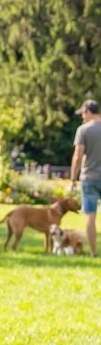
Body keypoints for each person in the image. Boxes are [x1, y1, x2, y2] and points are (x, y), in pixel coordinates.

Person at [70, 98, 101, 257]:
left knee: (90, 215)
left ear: (88, 111)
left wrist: (73, 179)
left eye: (82, 113)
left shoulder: (83, 130)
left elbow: (77, 156)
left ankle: (94, 252)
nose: (82, 117)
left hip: (89, 177)